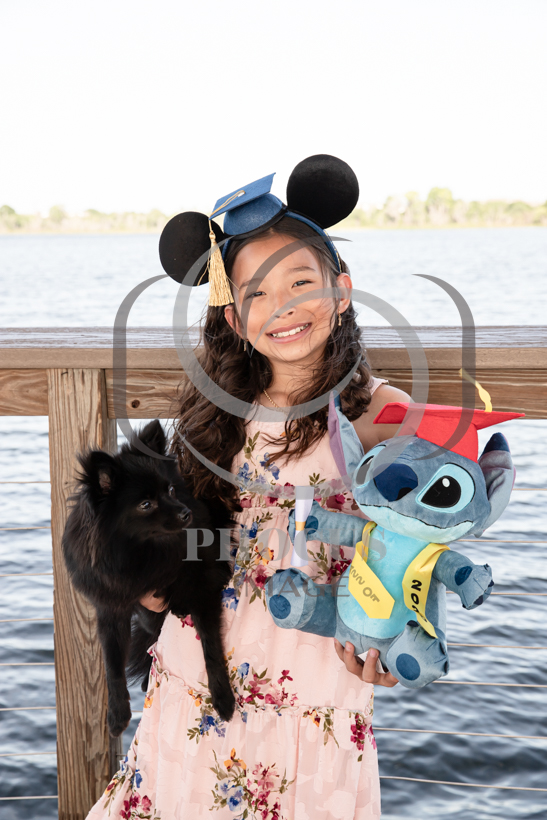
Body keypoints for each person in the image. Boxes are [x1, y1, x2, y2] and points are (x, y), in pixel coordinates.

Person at [87, 157, 410, 820]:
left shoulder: (382, 414)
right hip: (195, 684)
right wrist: (145, 582)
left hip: (315, 691)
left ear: (341, 290)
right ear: (234, 318)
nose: (282, 306)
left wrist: (399, 629)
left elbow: (416, 543)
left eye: (301, 281)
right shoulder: (212, 417)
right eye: (257, 293)